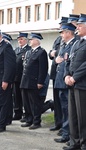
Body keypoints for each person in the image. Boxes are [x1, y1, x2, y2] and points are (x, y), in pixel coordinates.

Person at [63, 13, 86, 150]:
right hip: (72, 83)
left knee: (83, 116)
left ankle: (84, 144)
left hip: (82, 84)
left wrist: (74, 77)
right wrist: (67, 76)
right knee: (73, 115)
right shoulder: (77, 42)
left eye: (80, 25)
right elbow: (68, 61)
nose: (77, 27)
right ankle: (75, 142)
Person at [53, 23, 77, 143]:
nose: (61, 35)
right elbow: (60, 60)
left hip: (66, 81)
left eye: (63, 32)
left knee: (69, 110)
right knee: (64, 108)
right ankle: (65, 131)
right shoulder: (64, 45)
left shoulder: (74, 44)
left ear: (68, 32)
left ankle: (68, 134)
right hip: (60, 80)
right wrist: (57, 59)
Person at [20, 33, 48, 130]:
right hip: (25, 81)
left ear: (37, 40)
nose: (29, 41)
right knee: (26, 102)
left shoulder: (41, 52)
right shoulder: (29, 52)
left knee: (34, 103)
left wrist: (40, 82)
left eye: (31, 39)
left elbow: (43, 69)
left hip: (34, 81)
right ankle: (29, 119)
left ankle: (36, 121)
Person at [49, 16, 68, 131]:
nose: (60, 27)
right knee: (57, 100)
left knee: (64, 102)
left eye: (62, 25)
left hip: (63, 73)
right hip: (56, 72)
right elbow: (52, 52)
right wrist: (51, 54)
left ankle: (64, 126)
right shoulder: (58, 39)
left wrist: (55, 55)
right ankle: (58, 122)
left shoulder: (72, 39)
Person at [13, 32, 31, 121]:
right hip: (16, 77)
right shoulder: (16, 50)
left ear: (26, 40)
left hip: (24, 77)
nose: (20, 41)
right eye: (18, 39)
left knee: (25, 97)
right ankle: (17, 113)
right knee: (16, 96)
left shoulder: (29, 49)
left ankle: (26, 114)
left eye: (21, 39)